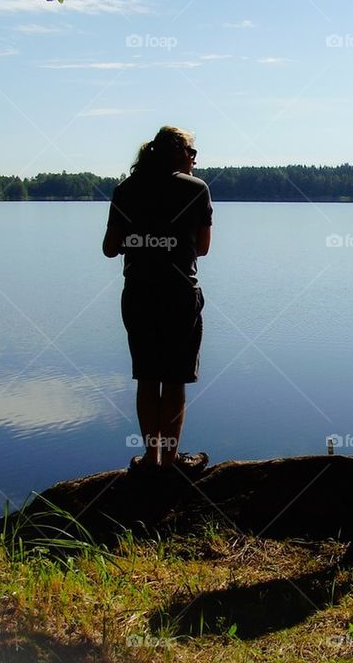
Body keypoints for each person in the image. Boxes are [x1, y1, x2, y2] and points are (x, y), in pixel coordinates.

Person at [102, 126, 212, 473]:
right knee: (175, 379)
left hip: (139, 294)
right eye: (192, 153)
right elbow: (204, 248)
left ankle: (152, 458)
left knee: (148, 378)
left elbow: (109, 248)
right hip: (179, 294)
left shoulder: (126, 189)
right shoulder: (196, 189)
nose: (195, 159)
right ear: (179, 152)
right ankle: (172, 460)